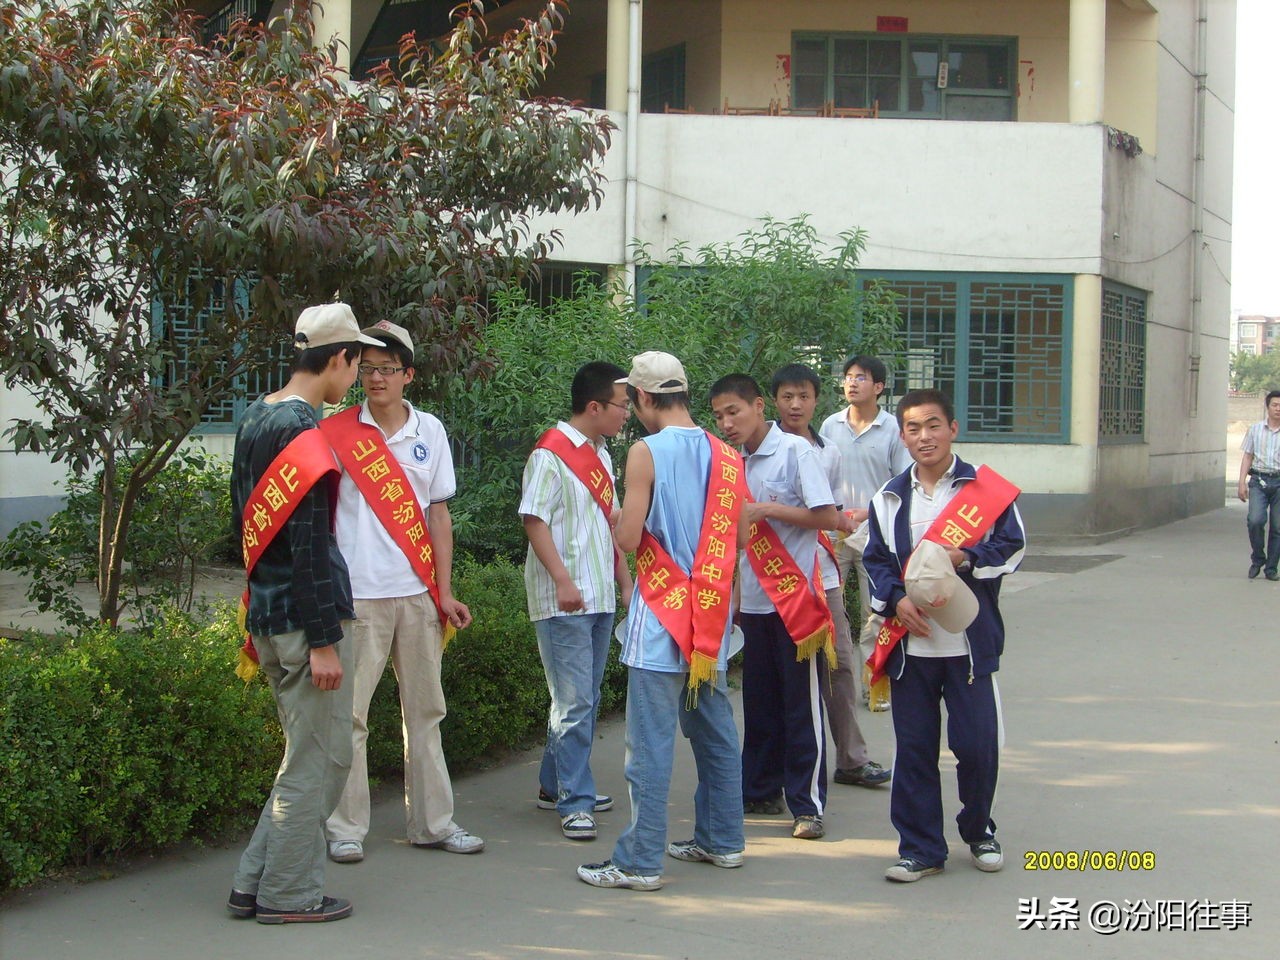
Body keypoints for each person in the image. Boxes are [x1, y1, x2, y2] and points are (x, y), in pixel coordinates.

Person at [227, 302, 381, 924]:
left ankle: (252, 882)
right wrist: (323, 639)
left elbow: (246, 526)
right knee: (321, 760)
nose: (357, 380)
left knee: (305, 756)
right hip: (305, 621)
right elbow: (311, 544)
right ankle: (289, 895)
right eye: (357, 365)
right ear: (338, 358)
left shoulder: (255, 418)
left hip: (268, 613)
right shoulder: (306, 435)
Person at [577, 352, 747, 891]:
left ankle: (639, 860)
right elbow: (739, 540)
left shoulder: (644, 452)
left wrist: (613, 517)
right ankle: (723, 840)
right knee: (715, 733)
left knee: (649, 745)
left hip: (662, 619)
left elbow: (629, 539)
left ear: (646, 398)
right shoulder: (727, 454)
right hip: (709, 622)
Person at [321, 319, 483, 863]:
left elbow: (438, 515)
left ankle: (433, 823)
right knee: (351, 717)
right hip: (357, 594)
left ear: (408, 374)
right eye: (366, 369)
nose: (375, 379)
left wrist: (444, 590)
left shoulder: (430, 431)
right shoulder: (336, 432)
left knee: (426, 712)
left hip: (415, 594)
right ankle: (345, 828)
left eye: (386, 369)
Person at [862, 389, 1026, 883]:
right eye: (913, 428)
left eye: (933, 425)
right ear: (902, 435)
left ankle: (978, 829)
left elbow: (1012, 547)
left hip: (969, 644)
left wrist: (966, 557)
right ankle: (920, 848)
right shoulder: (888, 497)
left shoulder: (986, 491)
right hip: (912, 646)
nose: (923, 436)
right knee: (914, 748)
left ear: (952, 428)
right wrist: (897, 601)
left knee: (977, 746)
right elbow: (875, 562)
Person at [711, 373, 838, 841]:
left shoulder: (795, 452)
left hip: (796, 600)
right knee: (760, 702)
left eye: (734, 412)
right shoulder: (730, 462)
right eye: (720, 415)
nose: (727, 423)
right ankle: (760, 789)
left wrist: (767, 510)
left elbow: (828, 516)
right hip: (756, 603)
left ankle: (808, 803)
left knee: (800, 706)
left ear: (759, 406)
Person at [520, 361, 633, 841]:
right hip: (564, 599)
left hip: (600, 593)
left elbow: (610, 524)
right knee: (574, 700)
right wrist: (563, 580)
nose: (626, 415)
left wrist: (625, 582)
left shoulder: (603, 455)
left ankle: (557, 782)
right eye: (621, 406)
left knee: (581, 696)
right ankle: (575, 799)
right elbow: (533, 519)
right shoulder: (549, 455)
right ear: (594, 406)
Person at [771, 364, 891, 790]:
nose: (795, 404)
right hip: (774, 581)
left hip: (823, 575)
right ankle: (778, 770)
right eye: (787, 396)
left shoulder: (829, 453)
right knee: (782, 675)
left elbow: (829, 512)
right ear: (774, 401)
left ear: (816, 400)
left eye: (803, 396)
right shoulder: (759, 451)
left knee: (838, 663)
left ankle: (851, 759)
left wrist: (844, 520)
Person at [819, 355, 912, 712]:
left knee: (874, 613)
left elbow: (901, 483)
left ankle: (874, 685)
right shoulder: (830, 425)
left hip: (876, 534)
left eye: (861, 377)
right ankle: (831, 682)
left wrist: (869, 512)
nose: (852, 383)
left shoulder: (893, 429)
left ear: (879, 387)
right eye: (848, 377)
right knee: (827, 606)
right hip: (833, 532)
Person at [1237, 389, 1280, 580]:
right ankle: (1258, 557)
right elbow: (1247, 456)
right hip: (1258, 481)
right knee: (1255, 520)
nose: (1278, 409)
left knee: (1278, 527)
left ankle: (1271, 568)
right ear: (1268, 407)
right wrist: (1241, 483)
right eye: (1275, 405)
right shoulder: (1255, 429)